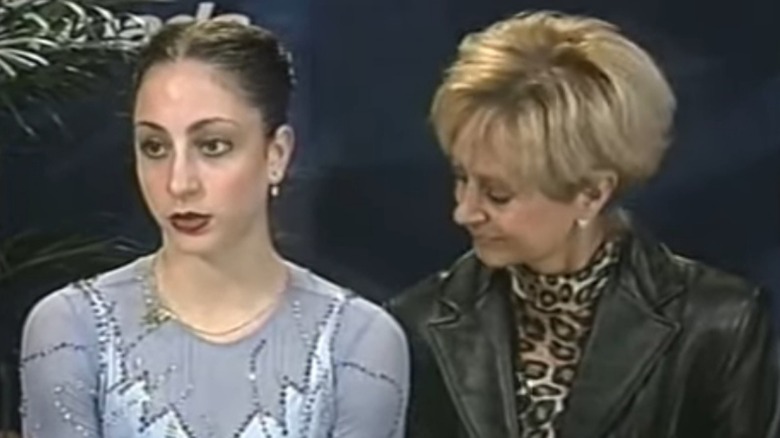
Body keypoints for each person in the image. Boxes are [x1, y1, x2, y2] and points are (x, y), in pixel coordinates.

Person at [387, 10, 779, 438]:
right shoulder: (417, 324)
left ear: (591, 194)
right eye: (462, 178)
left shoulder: (719, 325)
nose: (464, 211)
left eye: (498, 194)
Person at [20, 20, 409, 438]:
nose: (178, 182)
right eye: (155, 147)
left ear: (276, 154)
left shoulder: (357, 342)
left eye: (213, 146)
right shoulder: (70, 330)